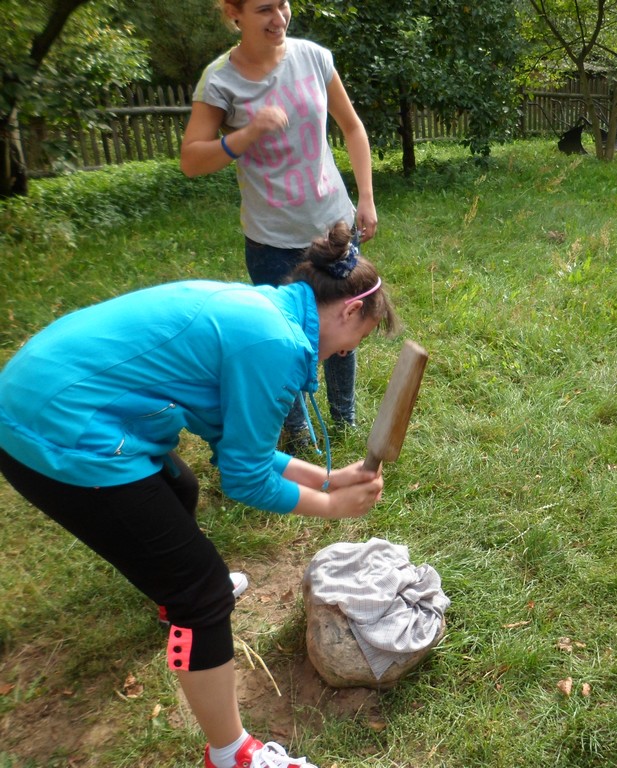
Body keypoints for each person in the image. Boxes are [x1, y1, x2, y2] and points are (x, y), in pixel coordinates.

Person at [0, 222, 398, 768]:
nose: (349, 350)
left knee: (178, 486)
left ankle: (172, 593)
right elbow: (244, 477)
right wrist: (331, 506)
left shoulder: (268, 312)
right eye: (361, 338)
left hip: (36, 388)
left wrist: (327, 479)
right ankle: (230, 753)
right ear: (350, 311)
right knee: (204, 596)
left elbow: (239, 445)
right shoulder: (276, 344)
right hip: (55, 427)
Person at [180, 0, 378, 448]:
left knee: (344, 324)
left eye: (284, 3)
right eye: (264, 8)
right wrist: (247, 134)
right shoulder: (220, 80)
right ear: (234, 13)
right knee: (283, 341)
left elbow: (352, 127)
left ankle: (344, 420)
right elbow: (191, 160)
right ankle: (297, 431)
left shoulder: (314, 58)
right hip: (272, 240)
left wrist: (365, 198)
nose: (279, 17)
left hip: (334, 228)